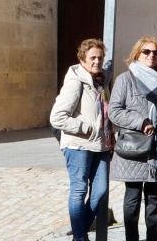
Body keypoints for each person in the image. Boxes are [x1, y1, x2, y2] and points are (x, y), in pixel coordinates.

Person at [108, 37, 157, 241]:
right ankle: (131, 238)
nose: (151, 55)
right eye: (146, 52)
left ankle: (153, 237)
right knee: (132, 198)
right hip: (135, 147)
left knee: (154, 198)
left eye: (156, 53)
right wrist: (141, 121)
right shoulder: (125, 79)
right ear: (137, 55)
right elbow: (114, 111)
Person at [50, 39, 112, 241]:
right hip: (78, 144)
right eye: (92, 57)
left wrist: (109, 133)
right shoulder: (75, 82)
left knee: (101, 191)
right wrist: (87, 128)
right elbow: (57, 117)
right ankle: (80, 236)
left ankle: (79, 232)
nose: (97, 61)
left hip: (100, 144)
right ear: (82, 59)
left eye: (100, 57)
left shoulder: (102, 81)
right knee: (79, 189)